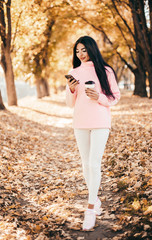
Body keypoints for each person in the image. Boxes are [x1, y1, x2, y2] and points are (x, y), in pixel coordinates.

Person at [65, 36, 120, 231]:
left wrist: (100, 97)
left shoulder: (106, 71)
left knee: (94, 163)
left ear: (91, 49)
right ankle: (95, 199)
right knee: (85, 164)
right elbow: (69, 104)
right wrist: (71, 90)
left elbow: (115, 96)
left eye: (83, 50)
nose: (80, 54)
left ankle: (90, 209)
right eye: (77, 51)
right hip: (80, 122)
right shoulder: (74, 72)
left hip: (100, 122)